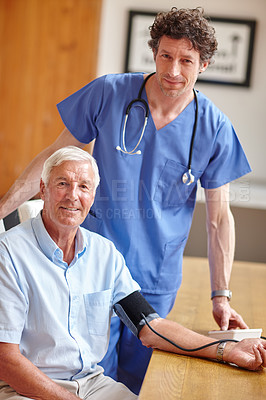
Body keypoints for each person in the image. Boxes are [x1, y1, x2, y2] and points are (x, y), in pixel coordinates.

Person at [0, 7, 252, 394]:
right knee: (83, 371)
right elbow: (52, 159)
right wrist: (2, 211)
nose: (172, 71)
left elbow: (219, 219)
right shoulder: (109, 93)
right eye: (165, 56)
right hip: (91, 268)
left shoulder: (213, 127)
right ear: (154, 52)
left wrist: (221, 295)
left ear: (203, 64)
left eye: (186, 60)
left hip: (155, 276)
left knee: (142, 382)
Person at [0, 146, 265, 400]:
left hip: (92, 385)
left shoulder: (104, 253)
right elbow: (5, 359)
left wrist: (227, 350)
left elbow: (149, 326)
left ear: (93, 196)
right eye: (62, 184)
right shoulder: (9, 253)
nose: (73, 195)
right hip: (25, 389)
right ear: (43, 189)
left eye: (83, 186)